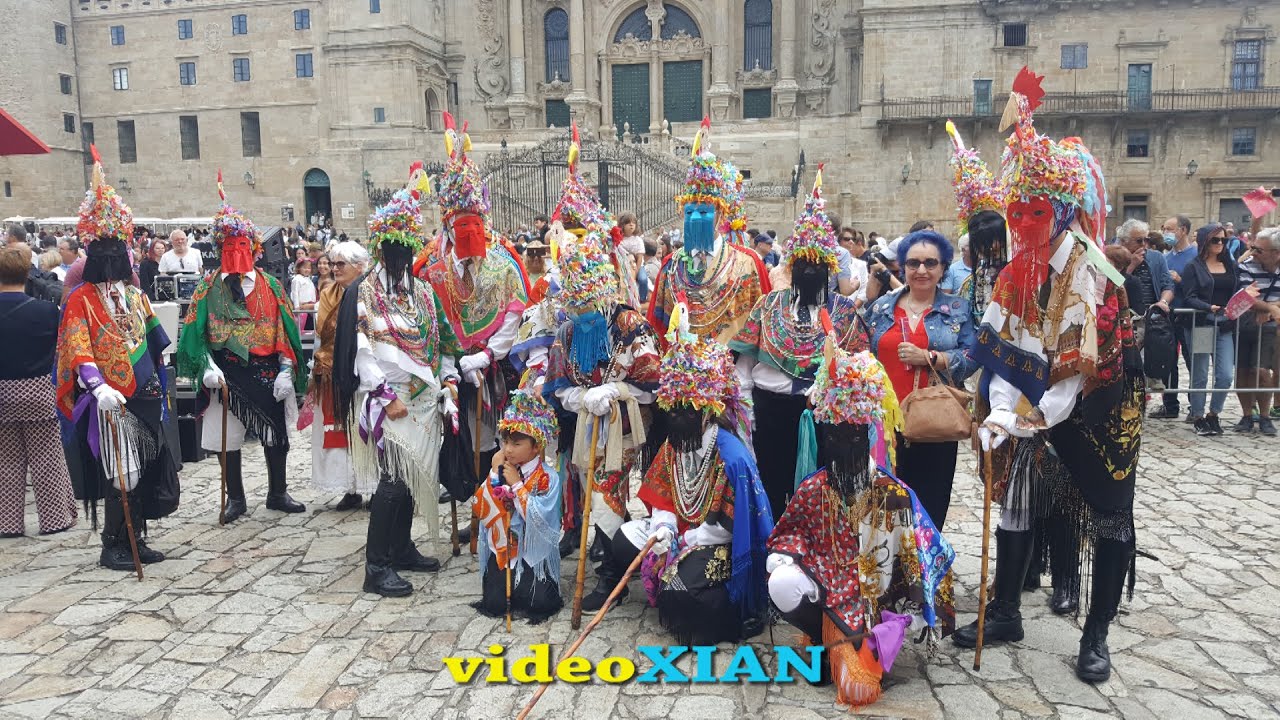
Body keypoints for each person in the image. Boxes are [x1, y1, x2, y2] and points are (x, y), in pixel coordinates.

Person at [958, 70, 1142, 686]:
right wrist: (999, 412)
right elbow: (1005, 345)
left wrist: (1026, 417)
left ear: (1062, 210)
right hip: (1035, 402)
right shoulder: (1016, 269)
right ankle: (1006, 607)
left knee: (1109, 512)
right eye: (1015, 212)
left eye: (1034, 211)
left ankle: (1097, 634)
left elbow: (1072, 371)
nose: (1022, 223)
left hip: (1098, 405)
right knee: (1013, 498)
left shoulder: (1091, 276)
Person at [767, 348, 954, 705]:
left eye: (853, 438)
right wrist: (786, 558)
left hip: (874, 600)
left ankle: (848, 647)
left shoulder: (893, 495)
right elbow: (789, 534)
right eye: (835, 438)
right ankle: (823, 642)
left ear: (867, 437)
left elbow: (920, 554)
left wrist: (905, 614)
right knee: (780, 580)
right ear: (825, 438)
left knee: (857, 686)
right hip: (827, 588)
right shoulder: (813, 487)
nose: (843, 447)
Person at [541, 133, 660, 610]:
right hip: (588, 424)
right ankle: (611, 564)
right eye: (576, 303)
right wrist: (574, 398)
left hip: (630, 424)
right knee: (594, 489)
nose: (583, 311)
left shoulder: (630, 325)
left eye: (590, 303)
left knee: (618, 488)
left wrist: (616, 388)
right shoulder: (568, 333)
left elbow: (653, 384)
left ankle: (620, 569)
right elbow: (556, 384)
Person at [331, 190, 461, 597]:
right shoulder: (364, 292)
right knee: (392, 481)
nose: (399, 258)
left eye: (406, 249)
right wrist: (387, 396)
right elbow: (362, 352)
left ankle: (402, 548)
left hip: (423, 397)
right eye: (391, 250)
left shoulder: (422, 292)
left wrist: (449, 380)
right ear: (380, 249)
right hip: (388, 399)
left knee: (411, 478)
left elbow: (440, 340)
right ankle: (377, 566)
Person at [55, 148, 177, 569]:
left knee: (143, 467)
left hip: (143, 391)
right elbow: (77, 347)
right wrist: (96, 385)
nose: (113, 258)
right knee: (121, 472)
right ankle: (113, 543)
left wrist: (161, 377)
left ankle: (136, 536)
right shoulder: (79, 300)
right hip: (110, 398)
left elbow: (154, 339)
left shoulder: (135, 294)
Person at [611, 328, 772, 644]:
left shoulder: (731, 457)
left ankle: (725, 606)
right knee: (623, 541)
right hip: (680, 529)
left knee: (679, 588)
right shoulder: (675, 443)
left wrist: (687, 539)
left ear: (709, 410)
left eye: (688, 410)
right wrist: (663, 529)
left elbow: (731, 524)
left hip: (716, 538)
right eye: (673, 410)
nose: (678, 419)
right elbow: (663, 493)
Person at [730, 168, 868, 521]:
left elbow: (859, 366)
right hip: (771, 413)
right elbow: (744, 367)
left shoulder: (842, 312)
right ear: (791, 264)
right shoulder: (768, 306)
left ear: (829, 268)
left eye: (818, 265)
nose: (810, 272)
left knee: (821, 495)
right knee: (773, 490)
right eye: (803, 263)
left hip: (823, 418)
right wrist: (747, 416)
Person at [176, 176, 308, 522]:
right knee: (228, 439)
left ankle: (278, 492)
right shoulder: (206, 288)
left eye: (242, 246)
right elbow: (194, 332)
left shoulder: (272, 286)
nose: (235, 254)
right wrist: (205, 366)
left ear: (254, 249)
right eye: (228, 247)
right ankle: (235, 497)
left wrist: (285, 368)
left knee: (274, 434)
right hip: (224, 373)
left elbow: (286, 330)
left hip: (265, 371)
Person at [421, 113, 530, 509]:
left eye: (475, 227)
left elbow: (515, 312)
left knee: (495, 435)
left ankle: (497, 497)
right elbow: (433, 320)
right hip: (455, 368)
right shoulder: (435, 270)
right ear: (448, 227)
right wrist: (451, 361)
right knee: (459, 433)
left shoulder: (503, 264)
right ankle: (466, 491)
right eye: (460, 227)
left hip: (494, 369)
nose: (469, 236)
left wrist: (487, 354)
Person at [866, 230, 977, 529]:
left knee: (929, 506)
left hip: (934, 423)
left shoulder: (958, 310)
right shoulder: (880, 309)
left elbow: (972, 357)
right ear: (903, 266)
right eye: (914, 263)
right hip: (885, 425)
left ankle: (925, 570)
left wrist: (931, 357)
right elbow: (863, 355)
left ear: (943, 267)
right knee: (884, 507)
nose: (922, 270)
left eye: (931, 263)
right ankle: (889, 569)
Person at [647, 118, 770, 347]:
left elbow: (763, 325)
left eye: (704, 211)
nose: (694, 218)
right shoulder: (670, 266)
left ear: (721, 216)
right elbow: (657, 328)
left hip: (734, 372)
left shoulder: (748, 263)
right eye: (689, 211)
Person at [0, 245, 77, 537]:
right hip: (37, 390)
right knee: (47, 456)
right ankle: (55, 518)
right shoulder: (47, 311)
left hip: (1, 392)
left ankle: (6, 522)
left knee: (6, 459)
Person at [472, 383, 564, 622]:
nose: (508, 450)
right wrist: (494, 475)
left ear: (536, 447)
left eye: (516, 444)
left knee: (538, 602)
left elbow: (542, 520)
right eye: (505, 443)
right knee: (495, 602)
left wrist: (516, 486)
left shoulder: (548, 478)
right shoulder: (500, 469)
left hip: (532, 552)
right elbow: (481, 509)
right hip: (504, 548)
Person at [304, 241, 369, 509]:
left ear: (359, 267)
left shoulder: (369, 294)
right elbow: (321, 335)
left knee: (364, 433)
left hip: (361, 372)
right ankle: (349, 488)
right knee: (338, 435)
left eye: (341, 264)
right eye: (333, 264)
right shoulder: (328, 292)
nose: (335, 269)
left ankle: (371, 486)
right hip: (330, 370)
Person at [1180, 223, 1239, 436]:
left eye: (1224, 240)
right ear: (1205, 241)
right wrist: (1208, 307)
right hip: (1202, 324)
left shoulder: (1229, 265)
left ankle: (1214, 413)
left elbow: (1237, 287)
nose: (1220, 244)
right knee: (1200, 373)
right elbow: (1189, 296)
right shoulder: (1193, 266)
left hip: (1225, 325)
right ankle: (1197, 415)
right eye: (1216, 240)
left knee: (1224, 375)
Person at [1151, 214, 1198, 419]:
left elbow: (1203, 286)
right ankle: (1170, 405)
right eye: (1163, 228)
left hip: (1190, 318)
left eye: (1169, 229)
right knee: (1168, 363)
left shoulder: (1196, 255)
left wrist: (1180, 281)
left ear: (1183, 230)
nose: (1165, 233)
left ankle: (1194, 407)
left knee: (1192, 362)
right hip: (1168, 318)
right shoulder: (1165, 257)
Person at [1235, 227, 1280, 435]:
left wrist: (1270, 310)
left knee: (1261, 371)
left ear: (1276, 253)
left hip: (1268, 327)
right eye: (1253, 248)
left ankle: (1264, 416)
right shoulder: (1247, 266)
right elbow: (1247, 298)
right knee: (1243, 371)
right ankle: (1246, 415)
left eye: (1259, 250)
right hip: (1243, 324)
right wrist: (1270, 307)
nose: (1254, 252)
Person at [1116, 219, 1174, 317]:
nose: (1144, 244)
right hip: (1125, 316)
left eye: (1146, 240)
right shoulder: (1115, 258)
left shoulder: (1157, 257)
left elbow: (1168, 285)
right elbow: (1114, 287)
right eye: (1139, 241)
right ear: (1123, 242)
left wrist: (1163, 302)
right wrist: (1131, 265)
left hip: (1152, 317)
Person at [290, 258, 318, 331]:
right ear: (299, 268)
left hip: (311, 305)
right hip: (302, 306)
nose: (307, 270)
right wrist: (296, 306)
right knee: (301, 326)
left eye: (309, 268)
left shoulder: (309, 279)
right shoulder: (296, 279)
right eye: (304, 268)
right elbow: (295, 293)